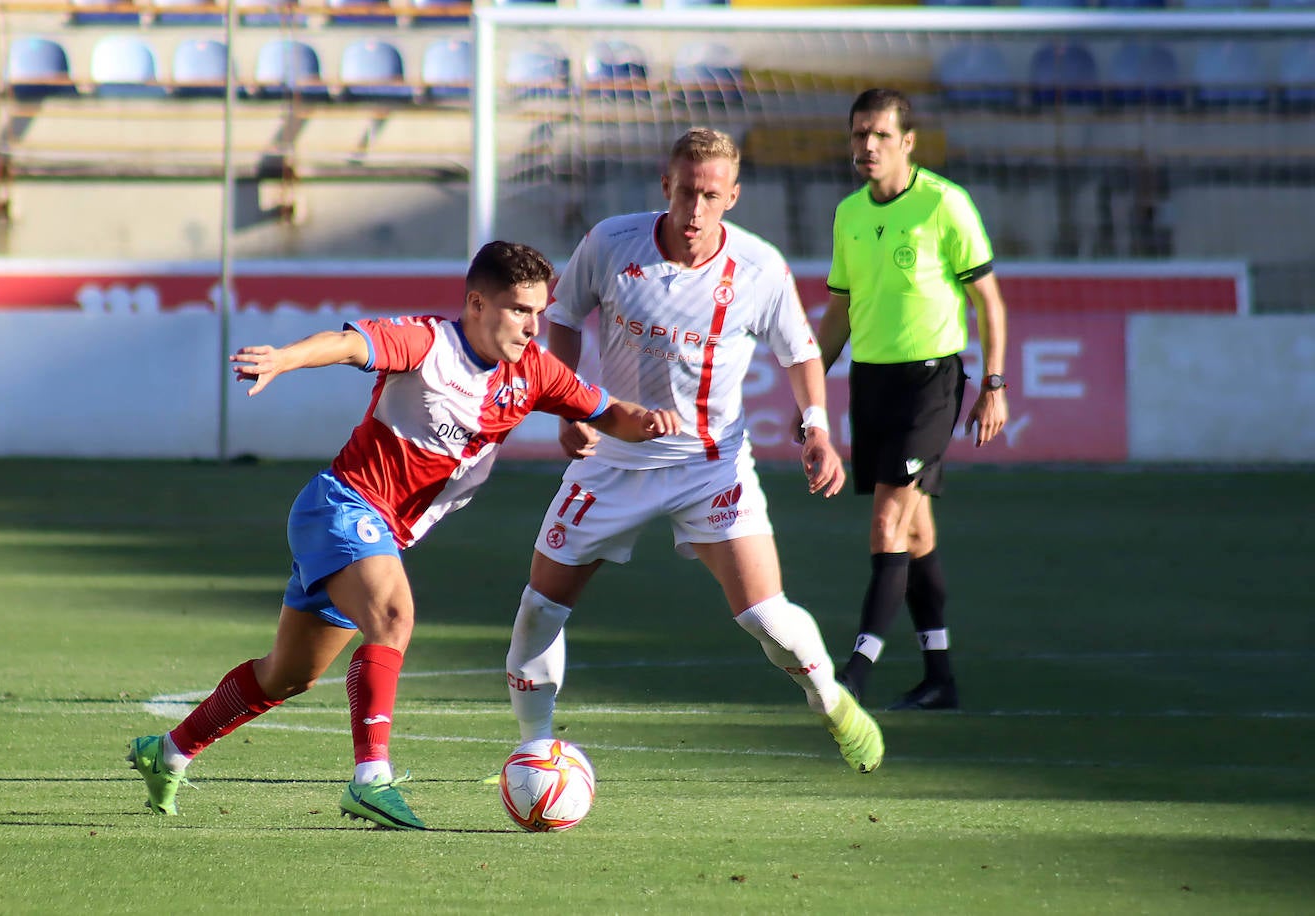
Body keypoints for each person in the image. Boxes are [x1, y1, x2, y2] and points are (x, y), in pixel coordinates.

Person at [126, 241, 682, 828]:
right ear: (476, 304)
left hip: (378, 533)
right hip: (341, 507)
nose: (532, 324)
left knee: (286, 675)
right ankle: (371, 779)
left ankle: (167, 751)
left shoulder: (533, 370)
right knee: (393, 617)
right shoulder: (426, 343)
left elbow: (602, 409)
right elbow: (346, 344)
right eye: (520, 309)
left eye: (539, 311)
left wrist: (643, 422)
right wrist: (284, 359)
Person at [501, 127, 885, 776]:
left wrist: (817, 426)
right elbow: (563, 317)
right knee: (540, 607)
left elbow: (800, 351)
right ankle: (535, 749)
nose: (695, 211)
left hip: (711, 466)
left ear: (732, 196)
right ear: (665, 187)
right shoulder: (610, 242)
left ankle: (832, 701)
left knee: (766, 616)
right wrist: (571, 406)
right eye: (685, 193)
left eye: (710, 196)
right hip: (613, 459)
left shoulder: (760, 268)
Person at [811, 88, 1009, 711]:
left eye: (880, 135)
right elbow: (839, 310)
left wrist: (994, 384)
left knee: (887, 521)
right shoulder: (848, 214)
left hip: (931, 381)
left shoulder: (945, 205)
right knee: (916, 531)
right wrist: (812, 392)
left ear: (907, 141)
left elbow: (989, 302)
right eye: (858, 135)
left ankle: (854, 674)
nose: (867, 146)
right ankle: (939, 676)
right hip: (871, 380)